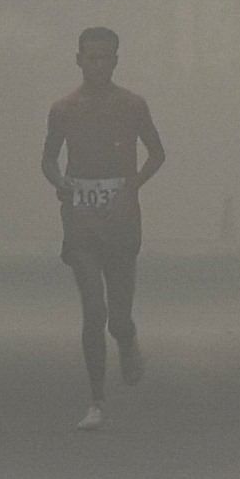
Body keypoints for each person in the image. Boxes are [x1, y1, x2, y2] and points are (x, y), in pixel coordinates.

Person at [42, 26, 165, 432]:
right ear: (78, 59)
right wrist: (61, 184)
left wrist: (130, 187)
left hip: (122, 218)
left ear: (116, 60)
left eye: (106, 57)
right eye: (91, 57)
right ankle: (96, 399)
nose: (98, 65)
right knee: (93, 309)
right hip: (81, 217)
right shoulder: (63, 109)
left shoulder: (132, 105)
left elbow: (157, 153)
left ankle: (127, 339)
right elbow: (48, 161)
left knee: (117, 317)